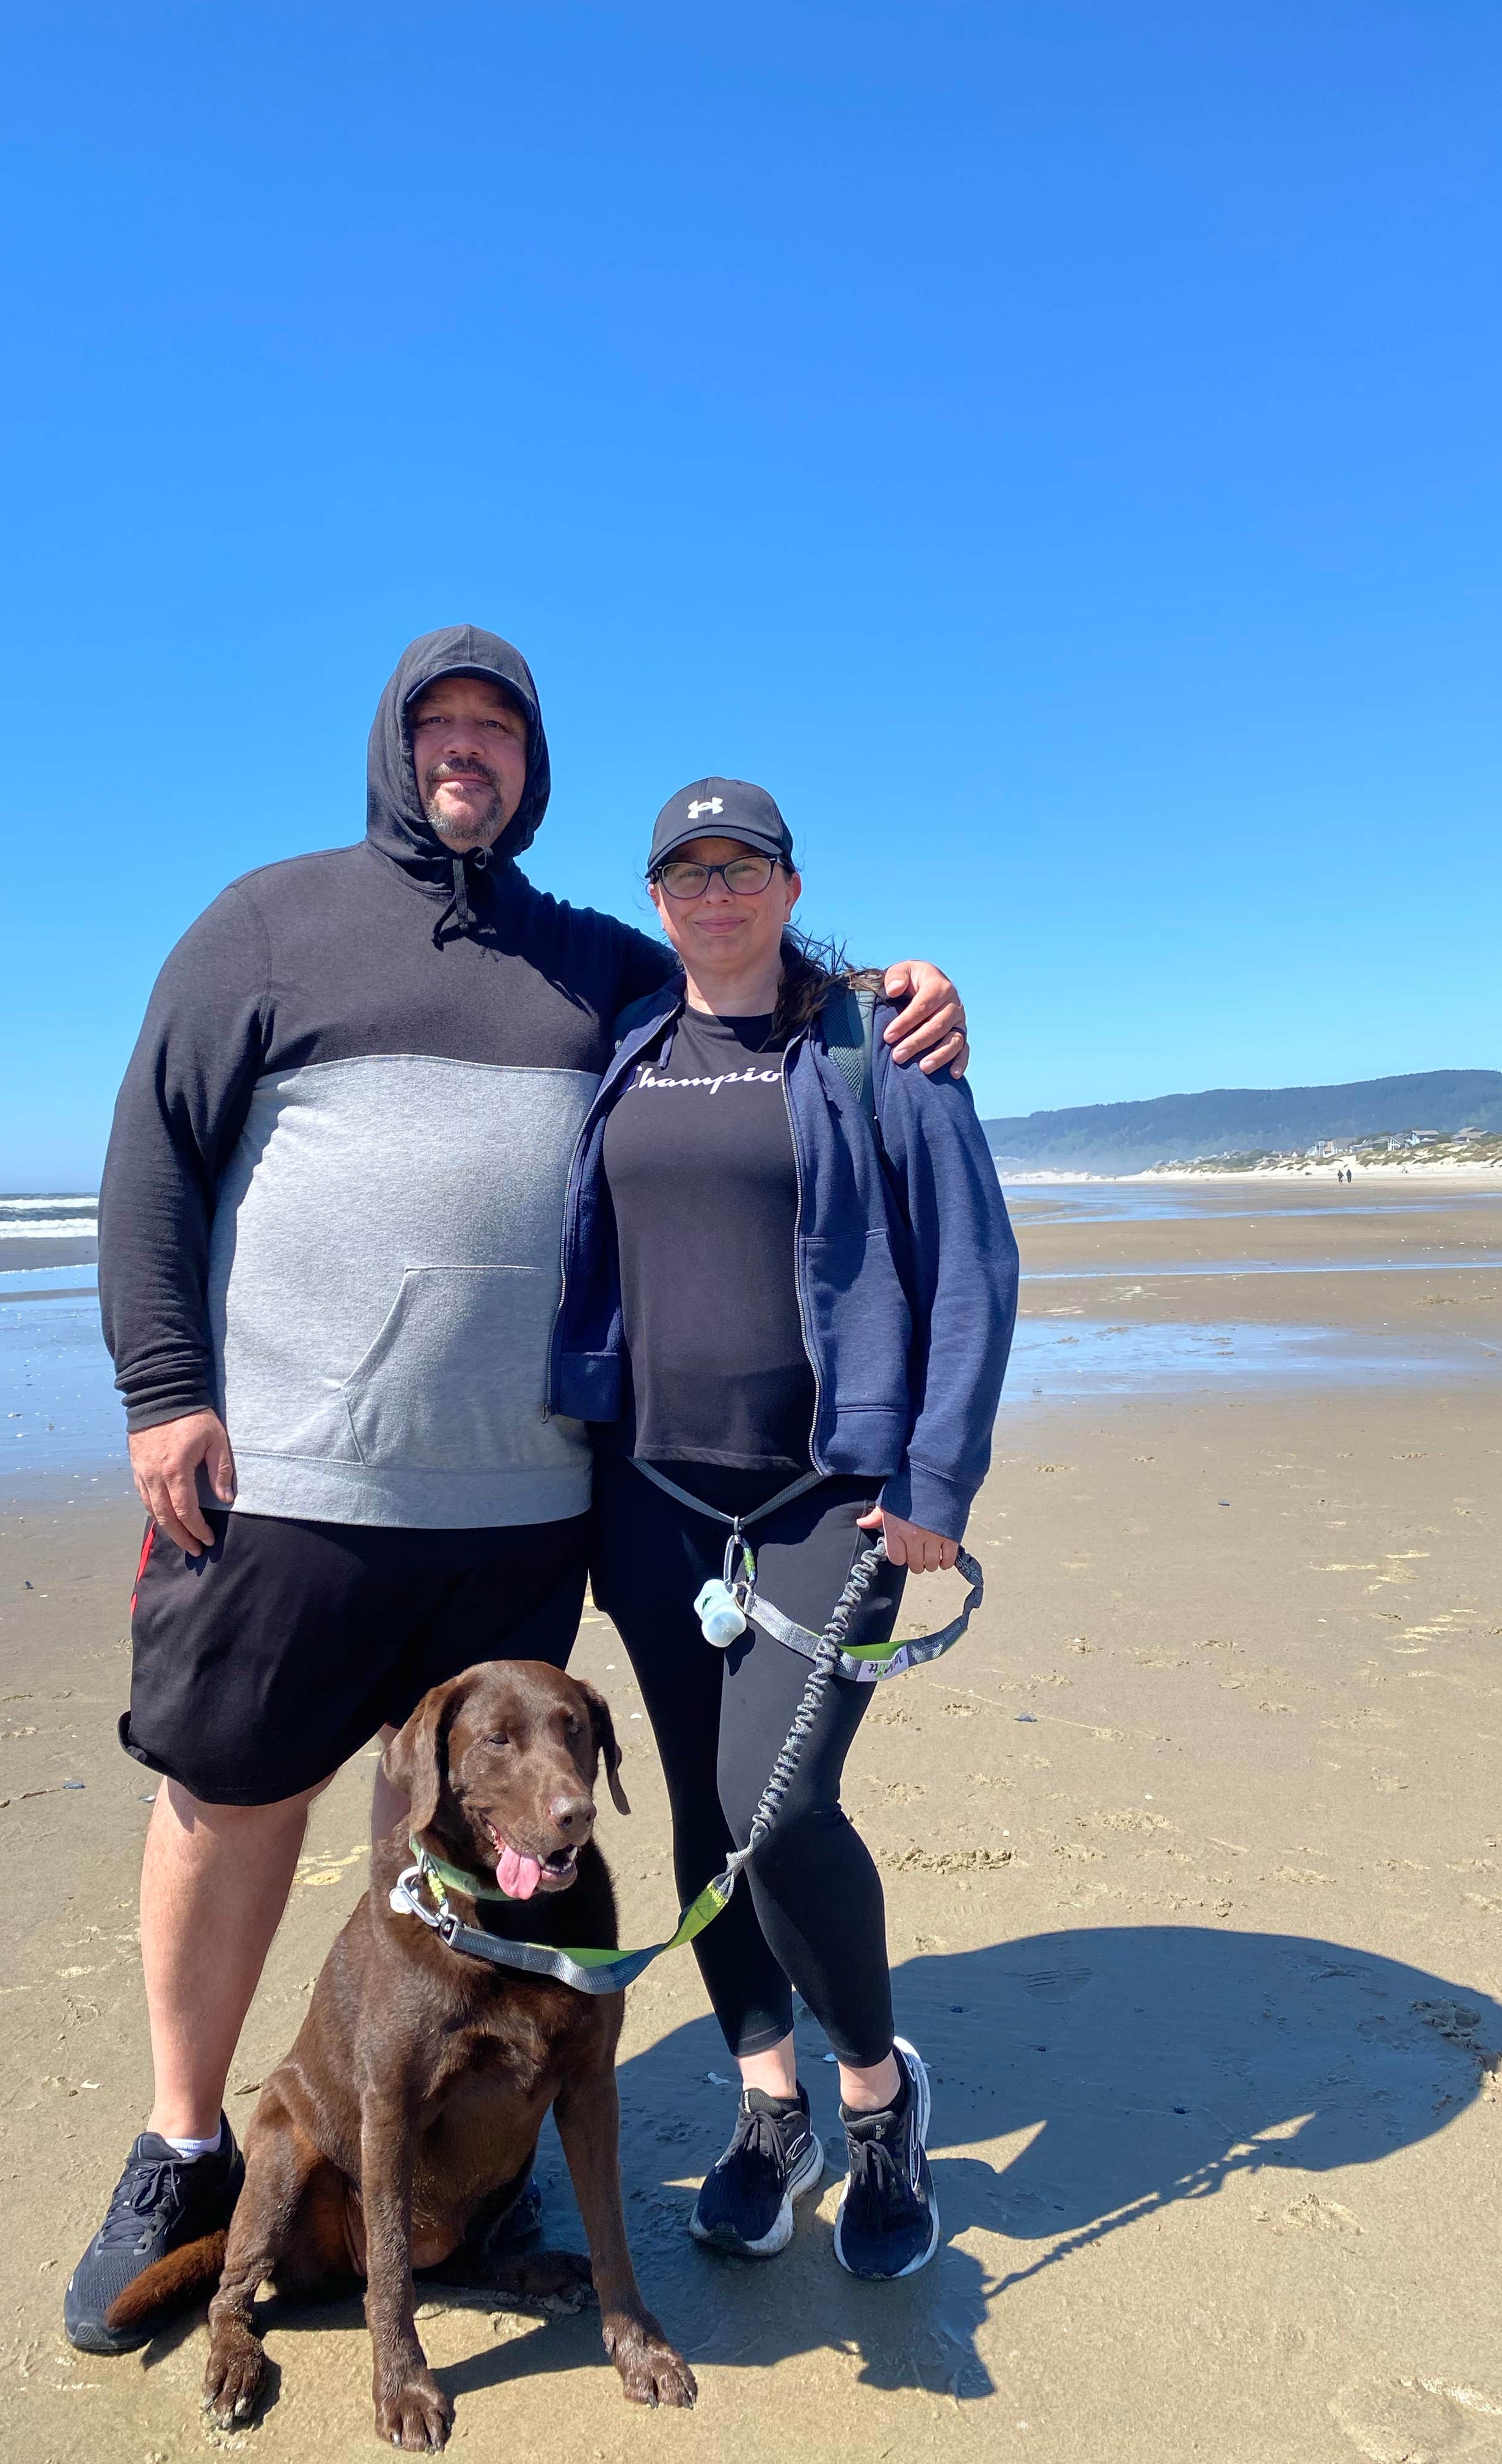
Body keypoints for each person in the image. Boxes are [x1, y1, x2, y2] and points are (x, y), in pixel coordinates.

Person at [64, 631, 972, 2348]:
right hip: (292, 1484)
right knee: (230, 1792)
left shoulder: (591, 962)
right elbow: (152, 1155)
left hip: (522, 1503)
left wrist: (892, 990)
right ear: (393, 749)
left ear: (534, 767)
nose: (466, 750)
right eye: (440, 725)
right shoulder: (264, 923)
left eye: (498, 728)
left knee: (482, 1833)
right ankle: (183, 2149)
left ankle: (469, 2155)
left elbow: (744, 981)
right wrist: (163, 1391)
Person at [552, 777, 1018, 2279]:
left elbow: (976, 1261)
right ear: (658, 899)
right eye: (687, 872)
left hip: (830, 1497)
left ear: (791, 885)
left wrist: (938, 1479)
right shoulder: (627, 1045)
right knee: (702, 1808)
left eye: (742, 865)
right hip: (655, 1498)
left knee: (776, 1801)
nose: (717, 891)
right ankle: (770, 2104)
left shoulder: (878, 1043)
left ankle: (878, 2096)